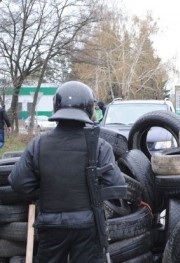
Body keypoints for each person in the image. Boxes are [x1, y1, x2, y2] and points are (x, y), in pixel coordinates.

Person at [8, 81, 126, 263]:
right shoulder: (100, 146)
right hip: (88, 226)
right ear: (89, 107)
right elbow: (117, 185)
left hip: (50, 225)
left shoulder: (38, 144)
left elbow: (18, 183)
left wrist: (45, 188)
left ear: (56, 105)